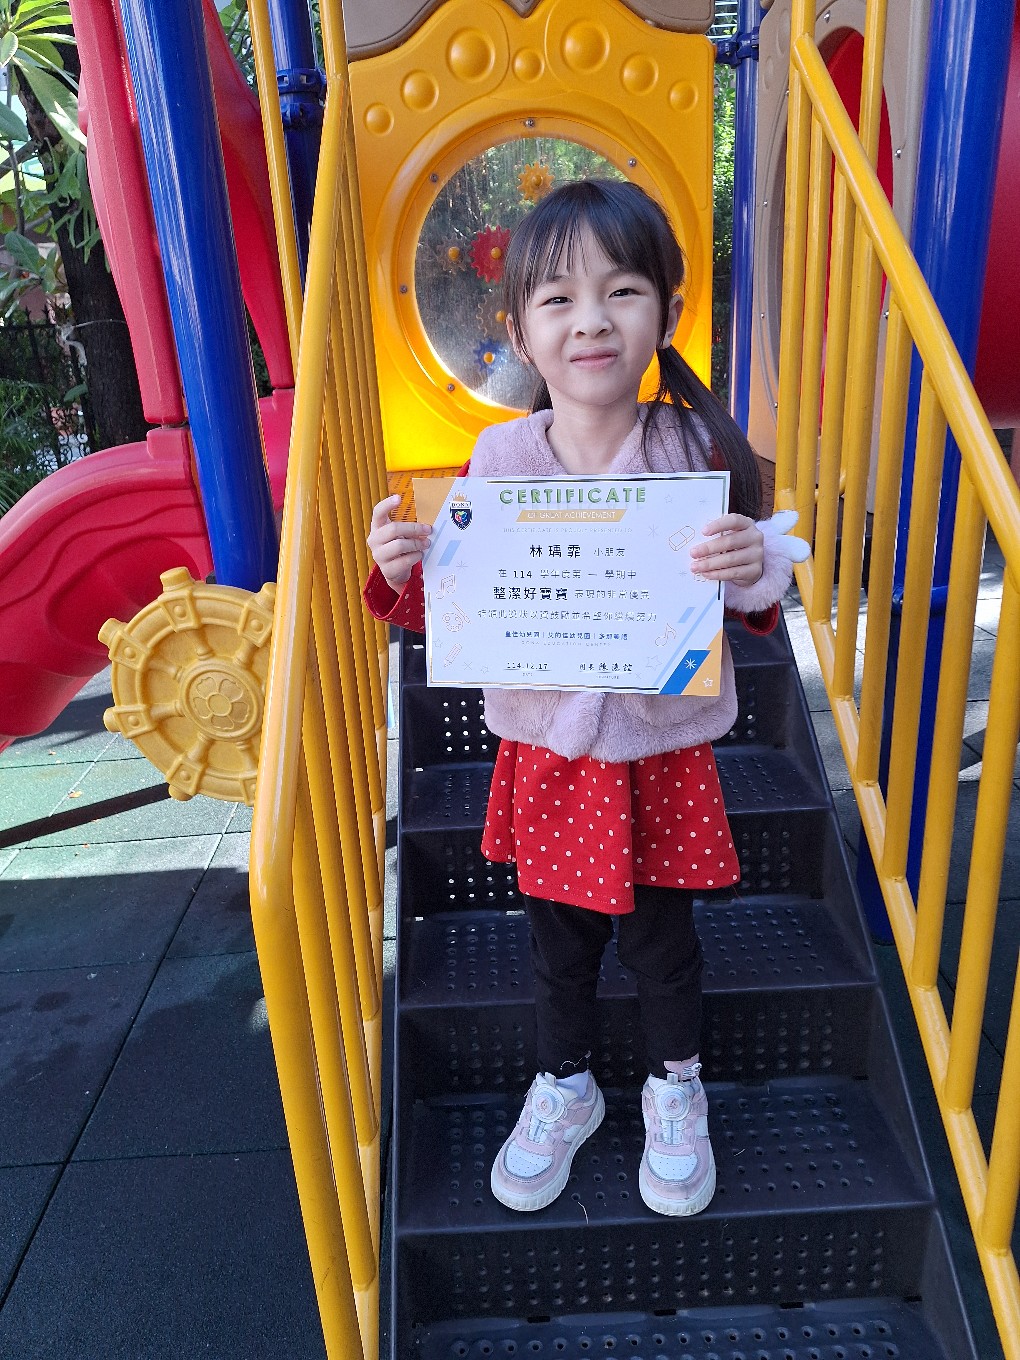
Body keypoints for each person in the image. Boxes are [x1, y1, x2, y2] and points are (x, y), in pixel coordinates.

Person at [364, 179, 795, 1218]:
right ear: (520, 330)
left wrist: (751, 570)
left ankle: (675, 1085)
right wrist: (397, 569)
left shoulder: (694, 451)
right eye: (558, 298)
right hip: (549, 755)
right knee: (557, 945)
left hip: (661, 757)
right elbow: (457, 604)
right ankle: (566, 1086)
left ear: (667, 312)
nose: (591, 320)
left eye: (622, 291)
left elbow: (752, 600)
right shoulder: (501, 458)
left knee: (661, 943)